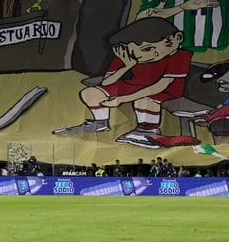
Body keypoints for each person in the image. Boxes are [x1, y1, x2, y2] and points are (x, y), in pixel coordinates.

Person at [53, 17, 193, 149]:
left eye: (151, 49)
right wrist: (126, 67)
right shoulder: (126, 57)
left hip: (166, 90)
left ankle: (148, 131)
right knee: (90, 92)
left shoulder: (179, 56)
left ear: (177, 38)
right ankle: (100, 122)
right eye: (144, 50)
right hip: (135, 84)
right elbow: (107, 82)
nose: (150, 54)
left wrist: (122, 98)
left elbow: (160, 86)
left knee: (144, 100)